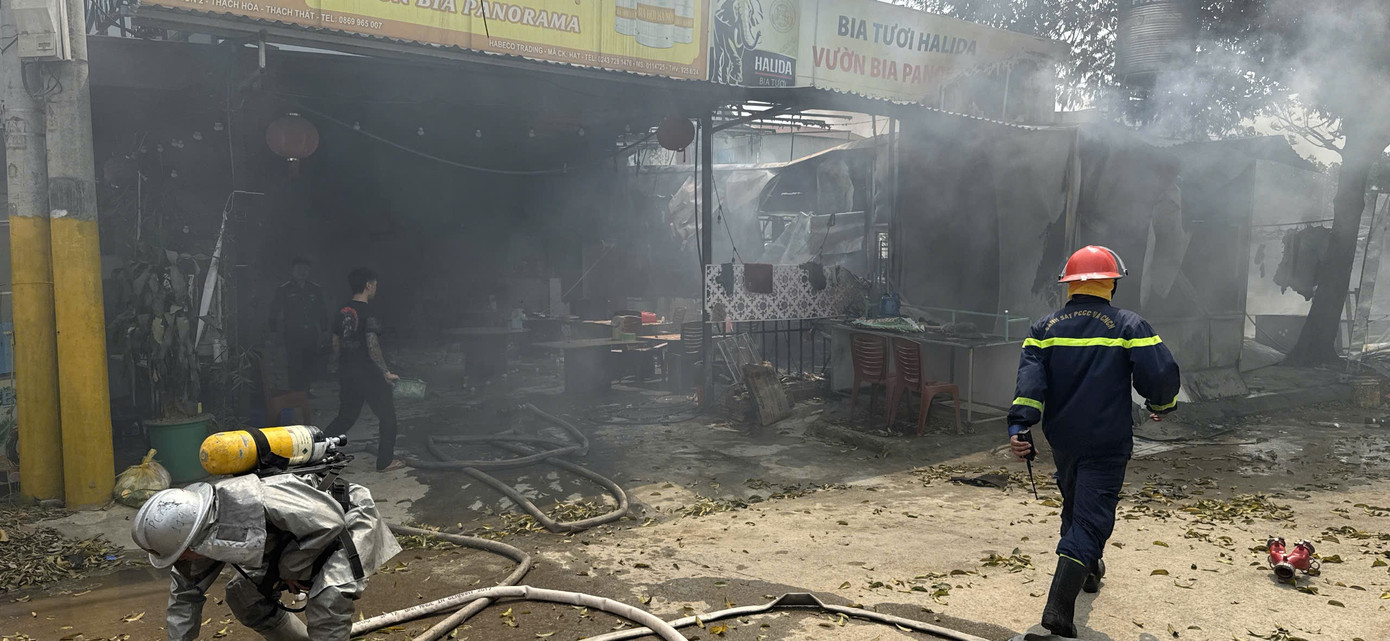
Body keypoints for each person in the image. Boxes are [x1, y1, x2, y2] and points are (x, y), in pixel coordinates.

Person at [1007, 245, 1180, 638]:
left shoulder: (1043, 329)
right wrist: (1161, 405)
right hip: (1106, 440)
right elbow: (1160, 374)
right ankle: (1057, 608)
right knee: (1091, 517)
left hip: (1063, 439)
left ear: (1069, 286)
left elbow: (1029, 386)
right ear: (1111, 285)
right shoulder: (1129, 325)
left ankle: (1089, 569)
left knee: (1075, 503)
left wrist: (1019, 428)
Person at [131, 474, 401, 641]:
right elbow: (184, 596)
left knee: (328, 598)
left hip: (348, 520)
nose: (181, 561)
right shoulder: (195, 535)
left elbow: (329, 521)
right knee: (243, 596)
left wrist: (289, 570)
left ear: (186, 543)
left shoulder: (249, 503)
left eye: (179, 555)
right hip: (298, 539)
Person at [326, 268, 406, 472]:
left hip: (347, 371)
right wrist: (385, 372)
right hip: (369, 374)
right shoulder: (369, 312)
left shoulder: (341, 310)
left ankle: (317, 453)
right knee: (388, 418)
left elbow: (335, 342)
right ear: (368, 285)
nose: (376, 288)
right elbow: (372, 345)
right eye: (375, 285)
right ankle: (385, 462)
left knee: (346, 417)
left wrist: (341, 364)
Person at [269, 257, 329, 395]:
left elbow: (322, 311)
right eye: (299, 269)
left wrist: (324, 329)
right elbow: (274, 311)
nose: (303, 272)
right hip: (292, 332)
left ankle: (306, 390)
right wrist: (273, 330)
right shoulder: (284, 289)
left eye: (306, 269)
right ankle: (295, 392)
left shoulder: (315, 289)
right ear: (292, 270)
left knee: (309, 361)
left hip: (310, 332)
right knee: (294, 363)